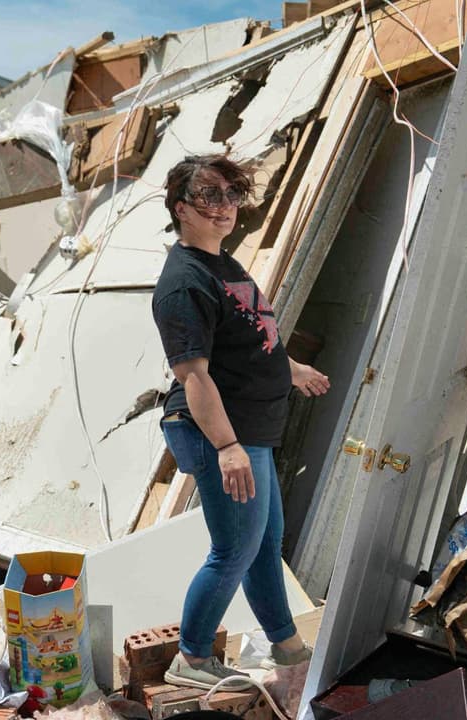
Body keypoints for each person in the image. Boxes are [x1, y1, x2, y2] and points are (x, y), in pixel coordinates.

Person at [151, 154, 330, 690]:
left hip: (251, 430)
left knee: (263, 544)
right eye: (209, 196)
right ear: (181, 208)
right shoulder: (184, 283)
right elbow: (194, 375)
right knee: (233, 550)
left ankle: (287, 646)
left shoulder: (223, 265)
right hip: (221, 433)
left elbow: (247, 344)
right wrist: (227, 447)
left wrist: (292, 370)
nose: (224, 207)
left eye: (231, 195)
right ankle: (192, 657)